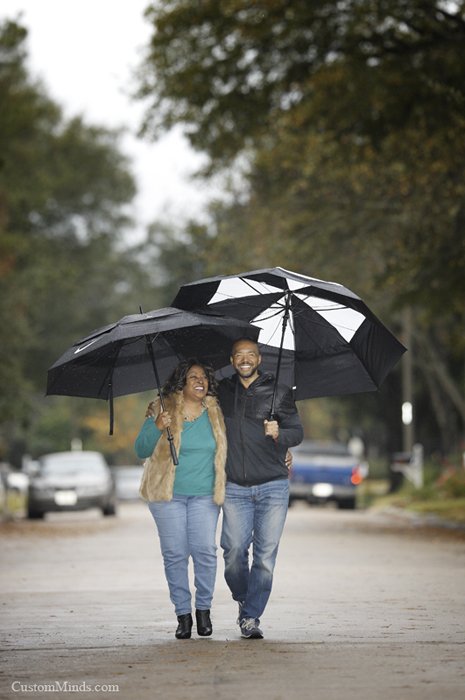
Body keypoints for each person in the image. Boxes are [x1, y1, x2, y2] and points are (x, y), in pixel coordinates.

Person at [135, 359, 227, 640]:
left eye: (204, 377)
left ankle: (203, 610)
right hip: (167, 496)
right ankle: (183, 615)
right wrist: (156, 426)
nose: (200, 381)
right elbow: (141, 449)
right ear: (181, 383)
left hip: (205, 495)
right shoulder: (162, 407)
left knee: (205, 552)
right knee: (175, 555)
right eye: (193, 377)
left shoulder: (217, 410)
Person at [218, 338, 303, 639]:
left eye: (250, 355)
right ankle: (244, 596)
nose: (245, 359)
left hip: (273, 485)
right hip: (234, 487)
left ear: (259, 359)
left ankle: (250, 616)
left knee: (265, 556)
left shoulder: (279, 392)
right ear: (231, 360)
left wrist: (280, 434)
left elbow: (297, 432)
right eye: (239, 355)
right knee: (233, 552)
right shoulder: (221, 391)